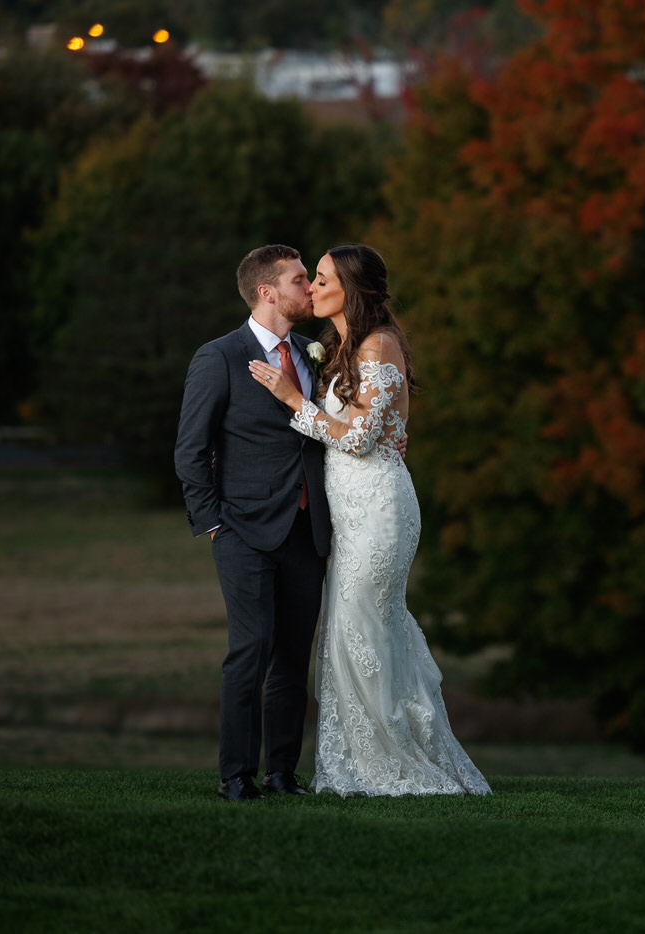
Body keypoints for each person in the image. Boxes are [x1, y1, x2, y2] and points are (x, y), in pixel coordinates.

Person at [249, 244, 490, 797]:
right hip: (349, 513)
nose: (310, 286)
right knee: (346, 633)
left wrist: (292, 399)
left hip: (379, 510)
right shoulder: (341, 347)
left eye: (322, 278)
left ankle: (394, 764)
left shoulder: (379, 344)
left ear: (349, 289)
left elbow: (357, 439)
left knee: (365, 630)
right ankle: (355, 763)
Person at [175, 244, 331, 801]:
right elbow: (189, 450)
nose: (308, 289)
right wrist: (213, 523)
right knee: (251, 651)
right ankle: (236, 776)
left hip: (309, 530)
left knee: (293, 657)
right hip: (242, 530)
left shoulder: (315, 352)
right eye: (297, 279)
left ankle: (282, 774)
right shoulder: (218, 356)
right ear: (268, 292)